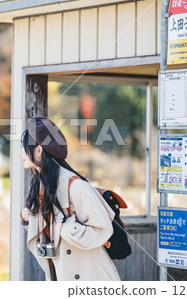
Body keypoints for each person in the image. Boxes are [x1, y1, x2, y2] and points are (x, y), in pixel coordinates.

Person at [20, 115, 121, 281]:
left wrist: (64, 228)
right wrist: (28, 217)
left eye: (23, 147)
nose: (21, 152)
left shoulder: (75, 186)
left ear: (38, 149)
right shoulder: (42, 185)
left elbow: (103, 229)